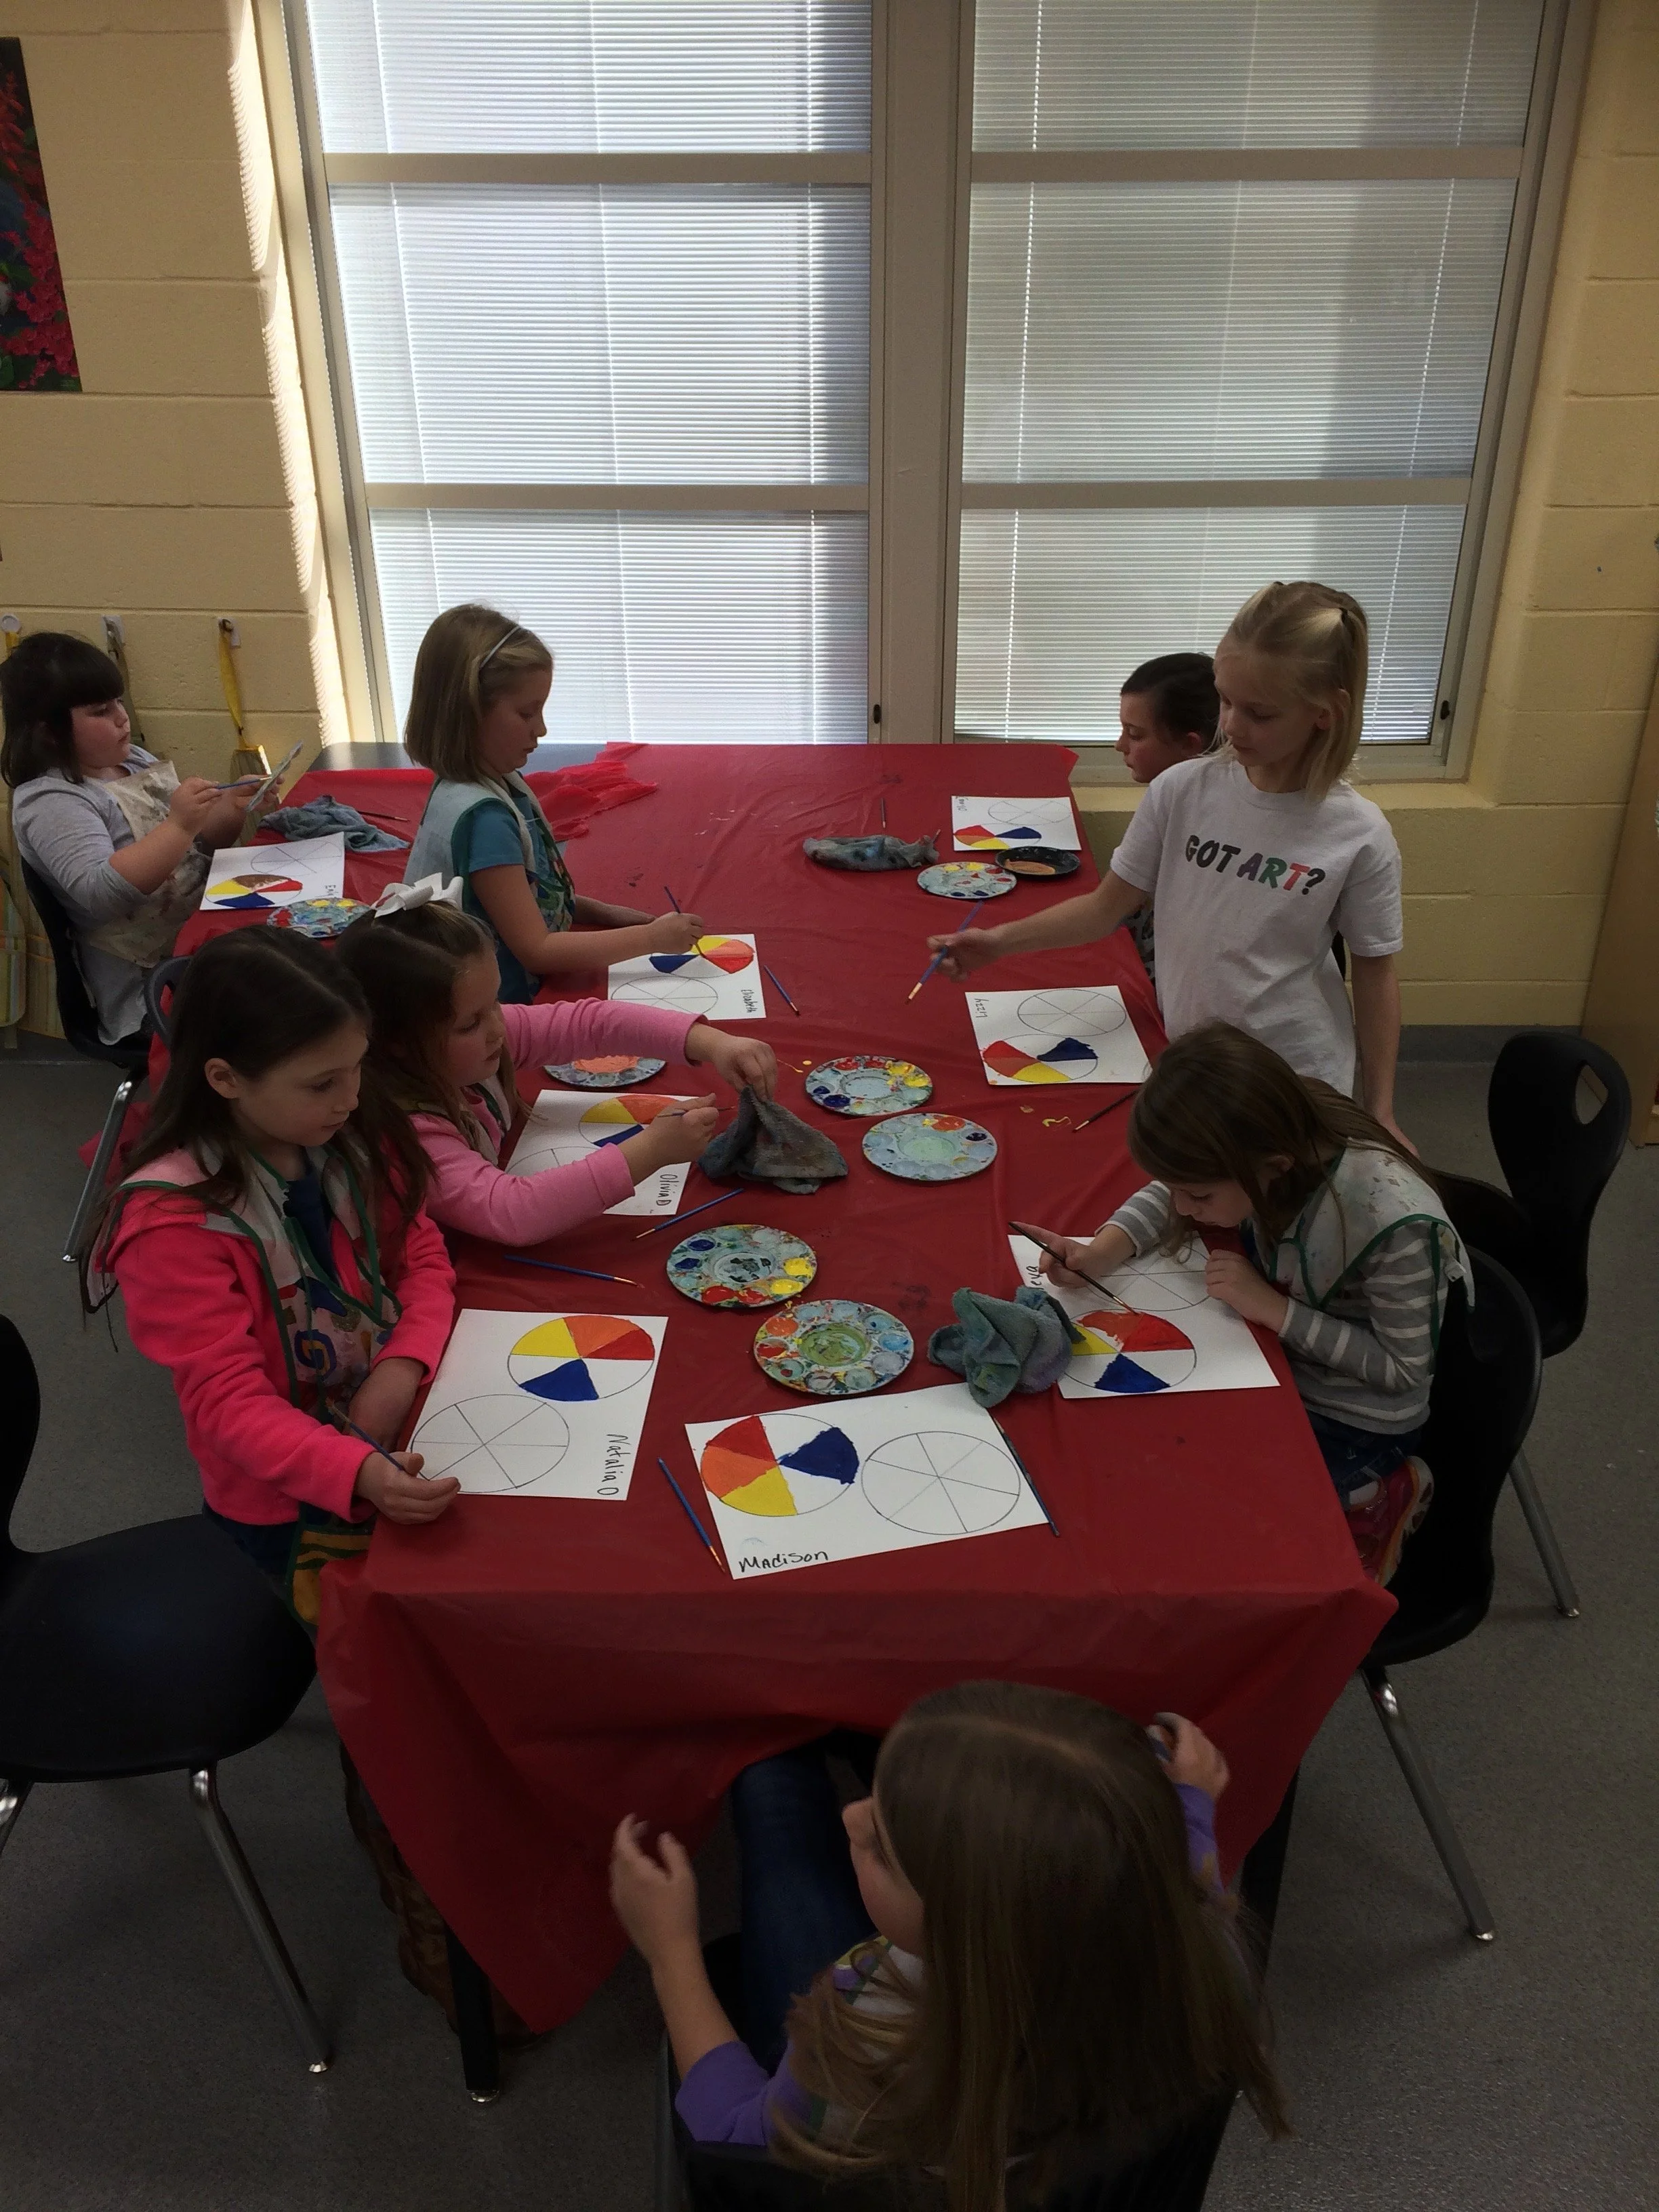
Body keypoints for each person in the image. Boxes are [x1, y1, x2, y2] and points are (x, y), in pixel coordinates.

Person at [611, 1682, 1288, 2212]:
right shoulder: (1207, 1949)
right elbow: (1180, 1882)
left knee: (768, 1776)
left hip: (893, 2101)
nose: (853, 1817)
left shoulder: (863, 2040)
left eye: (880, 1844)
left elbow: (731, 2136)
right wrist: (1190, 1808)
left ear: (966, 1926)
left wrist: (669, 1953)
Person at [929, 583, 1408, 1143]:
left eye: (1259, 712)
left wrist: (1380, 1108)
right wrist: (995, 943)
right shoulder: (1182, 790)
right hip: (1195, 1061)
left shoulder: (1358, 832)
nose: (1230, 726)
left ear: (1325, 714)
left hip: (1295, 1078)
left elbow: (1376, 976)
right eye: (1226, 701)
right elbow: (1105, 908)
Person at [87, 929, 459, 1608]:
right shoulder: (170, 1225)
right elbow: (227, 1404)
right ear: (225, 1078)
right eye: (323, 1082)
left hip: (401, 1419)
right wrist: (355, 1471)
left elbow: (423, 1253)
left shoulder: (336, 1131)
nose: (352, 1097)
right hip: (280, 1502)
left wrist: (403, 1366)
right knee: (333, 1627)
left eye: (357, 1066)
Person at [1034, 1023, 1466, 1584]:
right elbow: (1176, 1189)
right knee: (1147, 1445)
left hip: (1356, 1417)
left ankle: (1380, 1495)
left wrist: (1275, 1310)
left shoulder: (1394, 1225)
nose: (1185, 1208)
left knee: (1220, 1523)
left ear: (1277, 1168)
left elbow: (1403, 1369)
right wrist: (1101, 1251)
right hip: (1278, 1356)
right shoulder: (1266, 1135)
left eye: (1202, 1197)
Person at [335, 893, 777, 1245]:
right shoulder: (409, 1135)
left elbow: (592, 1023)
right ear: (396, 1043)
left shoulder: (478, 1038)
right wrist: (653, 1150)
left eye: (495, 1002)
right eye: (471, 1022)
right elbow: (513, 1213)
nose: (497, 1027)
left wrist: (714, 1043)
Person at [400, 603, 702, 1002]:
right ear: (467, 713)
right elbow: (537, 950)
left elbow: (524, 894)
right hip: (491, 1006)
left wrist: (606, 915)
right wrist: (651, 938)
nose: (541, 729)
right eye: (527, 713)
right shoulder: (485, 821)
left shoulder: (486, 782)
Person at [3, 631, 258, 1047]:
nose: (122, 717)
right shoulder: (50, 801)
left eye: (119, 701)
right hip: (149, 982)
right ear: (49, 731)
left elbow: (198, 850)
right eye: (101, 710)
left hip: (203, 930)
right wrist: (178, 825)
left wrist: (232, 807)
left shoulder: (134, 760)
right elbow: (104, 894)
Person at [1113, 650, 1220, 985]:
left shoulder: (1217, 820)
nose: (1120, 746)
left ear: (1191, 745)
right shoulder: (1169, 797)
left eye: (1135, 734)